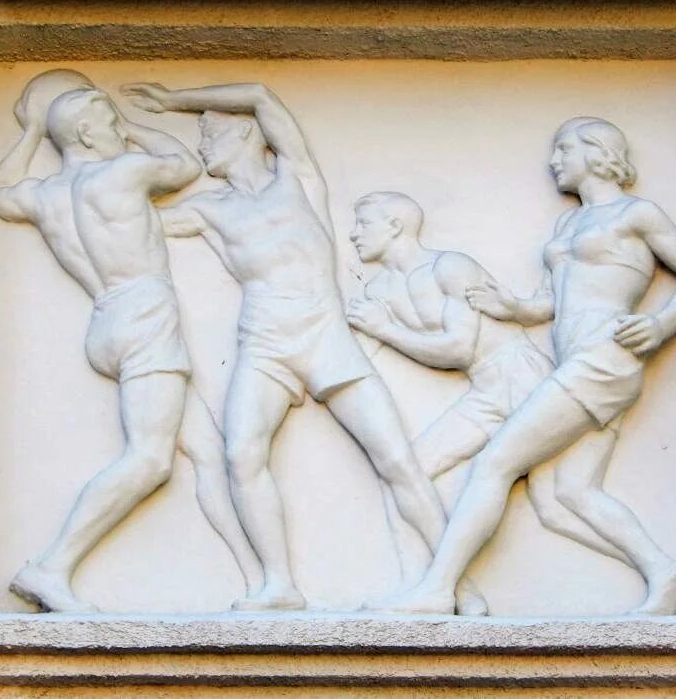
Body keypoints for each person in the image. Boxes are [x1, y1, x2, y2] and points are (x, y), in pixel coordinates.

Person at [121, 81, 447, 611]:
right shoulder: (209, 209)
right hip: (265, 344)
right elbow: (124, 223)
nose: (202, 146)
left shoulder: (296, 179)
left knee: (395, 458)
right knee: (241, 453)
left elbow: (259, 94)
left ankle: (452, 581)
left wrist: (171, 101)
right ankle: (279, 586)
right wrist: (116, 146)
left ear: (244, 133)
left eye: (210, 132)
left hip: (325, 337)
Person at [373, 117, 676, 615]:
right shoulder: (567, 225)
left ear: (596, 152)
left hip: (604, 356)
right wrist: (512, 307)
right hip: (576, 361)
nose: (554, 161)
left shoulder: (636, 214)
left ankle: (438, 589)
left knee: (494, 463)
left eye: (563, 150)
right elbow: (549, 303)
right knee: (567, 497)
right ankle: (664, 570)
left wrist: (660, 326)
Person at [0, 72, 261, 611]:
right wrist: (135, 126)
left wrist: (34, 131)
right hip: (146, 313)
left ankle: (262, 582)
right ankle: (50, 567)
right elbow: (184, 164)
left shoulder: (44, 194)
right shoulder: (124, 172)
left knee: (206, 451)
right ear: (87, 133)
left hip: (106, 321)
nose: (118, 130)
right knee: (151, 459)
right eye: (109, 123)